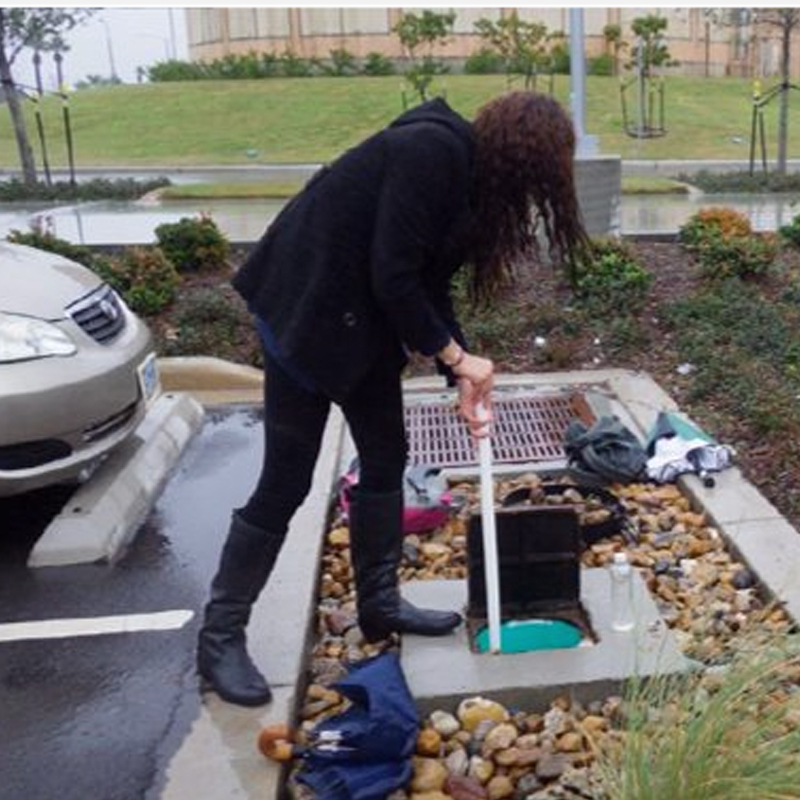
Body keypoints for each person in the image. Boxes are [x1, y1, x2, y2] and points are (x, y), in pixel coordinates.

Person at [197, 91, 590, 706]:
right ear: (521, 160)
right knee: (286, 482)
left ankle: (378, 604)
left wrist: (458, 371)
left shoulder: (469, 182)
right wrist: (458, 358)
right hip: (308, 308)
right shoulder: (428, 152)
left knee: (386, 457)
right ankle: (220, 636)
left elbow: (427, 284)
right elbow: (394, 273)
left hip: (365, 318)